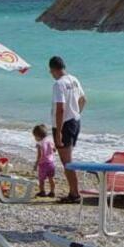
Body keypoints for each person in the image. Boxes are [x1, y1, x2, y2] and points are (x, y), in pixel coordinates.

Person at [49, 55, 85, 202]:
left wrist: (58, 131)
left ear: (53, 70)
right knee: (68, 159)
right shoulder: (74, 79)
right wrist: (76, 112)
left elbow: (61, 109)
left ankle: (74, 193)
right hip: (75, 121)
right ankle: (73, 191)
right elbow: (83, 99)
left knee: (67, 161)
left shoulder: (59, 84)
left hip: (65, 124)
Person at [33, 124, 56, 197]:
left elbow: (39, 155)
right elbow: (54, 150)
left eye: (35, 136)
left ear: (38, 136)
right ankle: (52, 192)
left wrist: (36, 164)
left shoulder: (40, 144)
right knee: (51, 178)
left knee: (41, 179)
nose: (35, 138)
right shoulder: (50, 141)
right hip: (51, 163)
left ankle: (42, 192)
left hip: (43, 164)